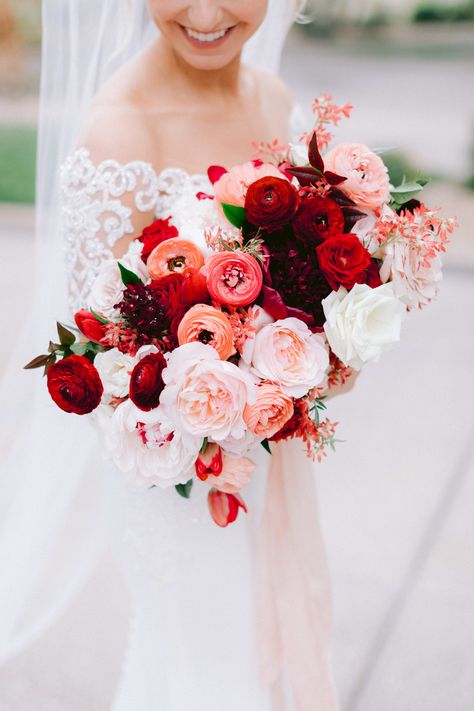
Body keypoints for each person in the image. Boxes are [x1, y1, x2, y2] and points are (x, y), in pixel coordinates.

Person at [0, 1, 349, 709]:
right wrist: (217, 387)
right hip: (177, 479)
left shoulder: (271, 96)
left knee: (249, 658)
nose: (206, 12)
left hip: (264, 451)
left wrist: (319, 346)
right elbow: (103, 363)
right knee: (211, 669)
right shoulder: (119, 131)